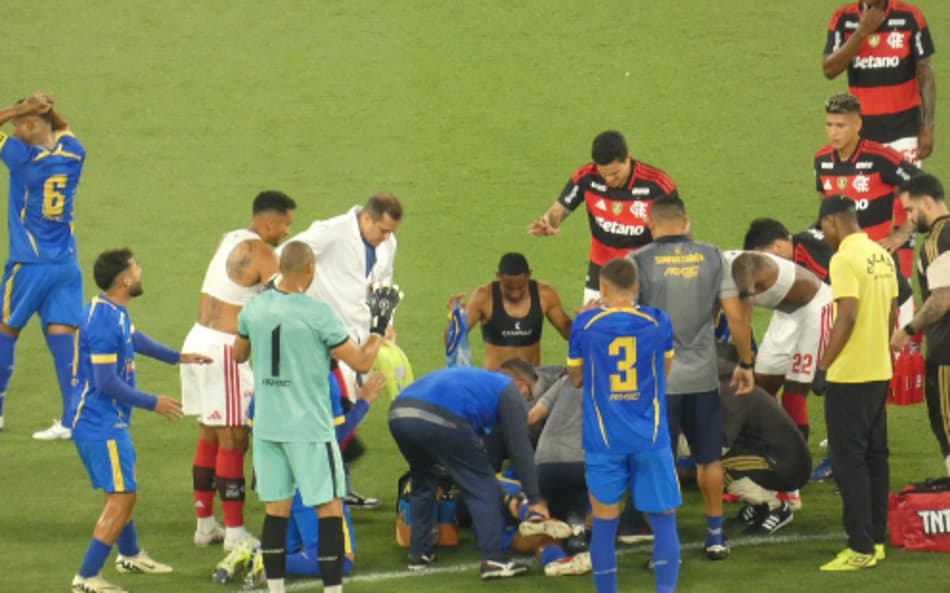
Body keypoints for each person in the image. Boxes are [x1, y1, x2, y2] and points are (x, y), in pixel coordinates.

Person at [232, 241, 396, 593]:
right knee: (330, 511)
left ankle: (275, 589)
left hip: (268, 429)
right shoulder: (318, 313)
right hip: (309, 429)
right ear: (310, 269)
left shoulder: (254, 308)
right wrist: (379, 327)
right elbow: (362, 361)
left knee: (276, 513)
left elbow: (238, 354)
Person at [68, 248, 212, 593]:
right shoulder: (104, 321)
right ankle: (86, 576)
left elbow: (133, 338)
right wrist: (153, 402)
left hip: (99, 419)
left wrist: (177, 357)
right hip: (99, 422)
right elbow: (106, 382)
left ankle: (130, 555)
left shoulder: (110, 309)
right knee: (122, 497)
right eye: (136, 268)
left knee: (120, 490)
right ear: (124, 279)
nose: (140, 271)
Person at [629, 195, 755, 560]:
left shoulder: (638, 261)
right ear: (686, 221)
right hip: (702, 377)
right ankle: (715, 536)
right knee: (709, 459)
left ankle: (665, 545)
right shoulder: (713, 256)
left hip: (659, 380)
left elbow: (629, 321)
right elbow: (735, 317)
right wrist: (746, 363)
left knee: (660, 463)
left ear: (651, 224)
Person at [182, 190, 296, 550]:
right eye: (286, 225)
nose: (287, 232)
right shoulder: (263, 254)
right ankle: (235, 534)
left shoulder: (228, 238)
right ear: (270, 222)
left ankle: (205, 526)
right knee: (234, 438)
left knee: (209, 434)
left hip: (197, 339)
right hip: (225, 350)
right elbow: (289, 301)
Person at [567, 257, 681, 593]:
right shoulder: (659, 321)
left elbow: (575, 378)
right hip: (651, 437)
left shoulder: (585, 324)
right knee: (663, 520)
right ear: (637, 287)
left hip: (603, 440)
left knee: (604, 524)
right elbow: (666, 370)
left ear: (602, 288)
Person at [286, 192, 402, 508]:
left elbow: (384, 285)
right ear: (366, 218)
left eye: (391, 232)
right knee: (336, 410)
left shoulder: (388, 243)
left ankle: (339, 485)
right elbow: (287, 256)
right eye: (383, 230)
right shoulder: (331, 232)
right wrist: (293, 302)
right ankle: (323, 485)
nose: (386, 238)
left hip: (364, 336)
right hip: (328, 339)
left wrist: (387, 322)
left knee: (350, 409)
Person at [388, 365, 549, 579]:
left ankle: (419, 553)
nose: (525, 402)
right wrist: (535, 498)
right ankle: (493, 560)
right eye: (527, 394)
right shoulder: (508, 389)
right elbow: (520, 447)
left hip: (398, 415)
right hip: (439, 417)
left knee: (423, 480)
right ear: (521, 385)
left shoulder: (477, 383)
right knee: (482, 485)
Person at [813, 195, 898, 571]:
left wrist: (823, 366)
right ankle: (877, 539)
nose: (825, 235)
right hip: (880, 371)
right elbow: (892, 312)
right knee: (876, 458)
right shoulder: (882, 255)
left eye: (824, 228)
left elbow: (846, 316)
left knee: (849, 463)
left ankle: (860, 547)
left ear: (832, 221)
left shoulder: (843, 259)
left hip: (849, 376)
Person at [0, 92, 84, 439]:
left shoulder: (23, 159)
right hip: (66, 265)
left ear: (32, 125)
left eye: (20, 124)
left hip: (29, 264)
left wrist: (22, 108)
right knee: (62, 336)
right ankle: (71, 420)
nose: (15, 130)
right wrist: (47, 109)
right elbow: (62, 126)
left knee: (5, 330)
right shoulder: (74, 153)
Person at [529, 130, 678, 302]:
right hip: (601, 269)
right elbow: (559, 211)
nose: (608, 180)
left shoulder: (657, 184)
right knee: (592, 318)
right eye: (603, 174)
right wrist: (548, 222)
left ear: (628, 158)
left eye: (615, 174)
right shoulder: (586, 177)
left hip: (645, 268)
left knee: (645, 319)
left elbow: (678, 229)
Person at [724, 249, 833, 441]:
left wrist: (743, 358)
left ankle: (798, 452)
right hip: (785, 313)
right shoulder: (711, 274)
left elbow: (743, 315)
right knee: (763, 387)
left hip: (815, 307)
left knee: (794, 391)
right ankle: (770, 444)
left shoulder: (741, 266)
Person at [814, 92, 922, 277]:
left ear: (857, 125)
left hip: (878, 261)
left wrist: (901, 235)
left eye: (840, 126)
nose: (833, 132)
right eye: (829, 125)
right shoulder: (821, 159)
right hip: (843, 260)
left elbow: (925, 187)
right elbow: (824, 202)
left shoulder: (880, 158)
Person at [823, 0, 936, 163]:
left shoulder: (910, 17)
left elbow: (926, 73)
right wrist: (862, 32)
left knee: (906, 181)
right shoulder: (843, 18)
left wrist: (928, 125)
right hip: (862, 133)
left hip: (905, 131)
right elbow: (830, 70)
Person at [716, 345, 811, 535]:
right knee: (713, 462)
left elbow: (721, 445)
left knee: (715, 467)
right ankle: (758, 505)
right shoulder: (732, 385)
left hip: (784, 464)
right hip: (781, 458)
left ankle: (775, 507)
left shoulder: (732, 389)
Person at [891, 174, 950, 476]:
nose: (911, 218)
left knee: (946, 427)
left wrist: (908, 330)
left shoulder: (937, 241)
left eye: (911, 210)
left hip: (947, 355)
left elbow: (942, 299)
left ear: (927, 202)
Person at [447, 252, 572, 369]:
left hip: (530, 381)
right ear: (498, 277)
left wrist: (582, 320)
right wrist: (455, 319)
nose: (515, 294)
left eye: (521, 287)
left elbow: (569, 333)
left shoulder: (544, 295)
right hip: (496, 381)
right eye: (509, 288)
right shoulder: (483, 297)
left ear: (529, 275)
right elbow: (451, 340)